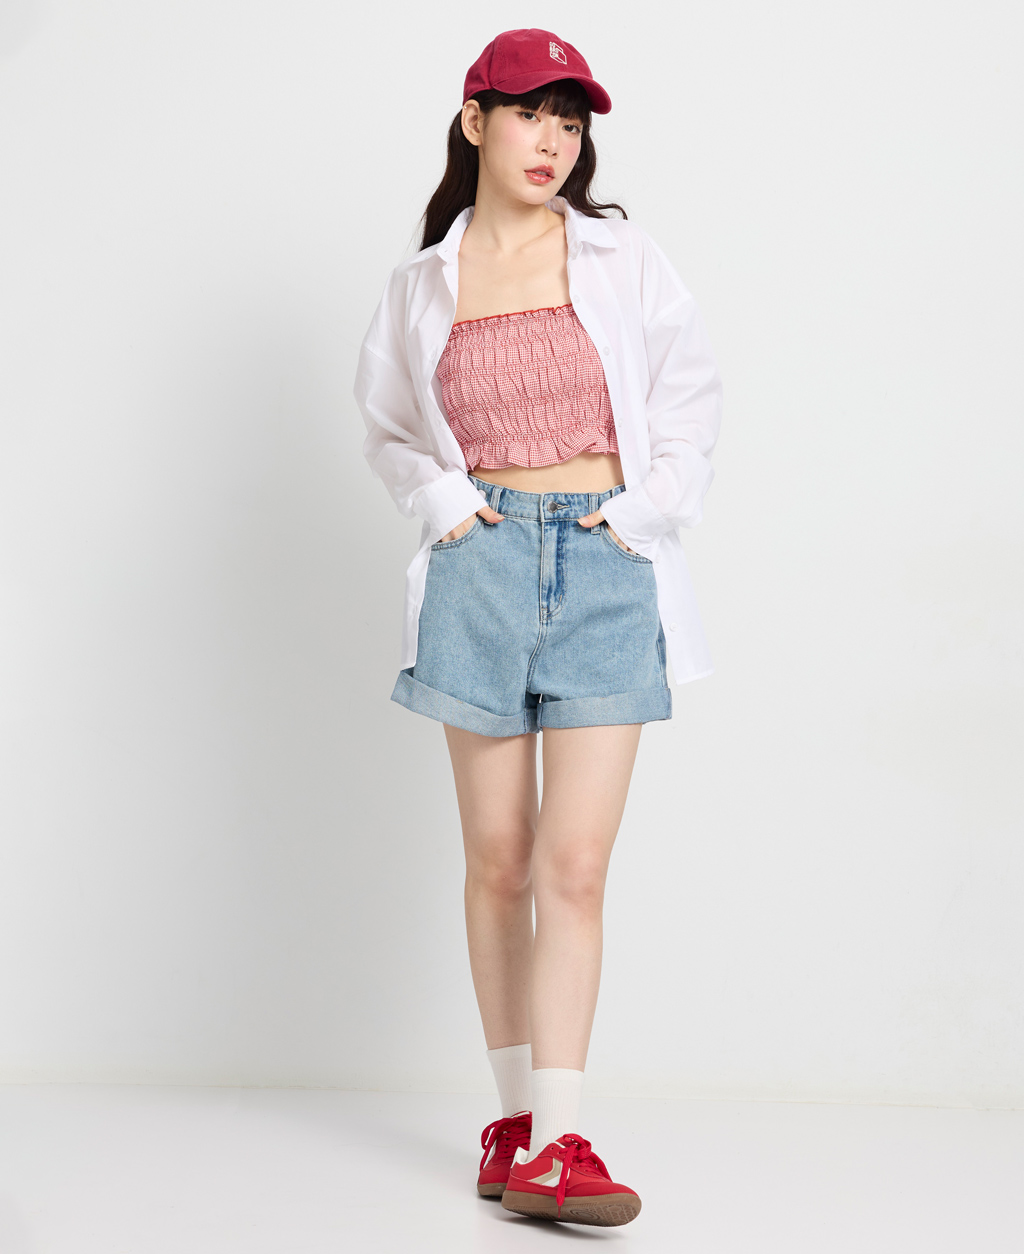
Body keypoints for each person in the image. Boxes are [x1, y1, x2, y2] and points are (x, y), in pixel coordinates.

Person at [353, 28, 722, 1227]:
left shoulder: (621, 255)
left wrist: (643, 515)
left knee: (574, 864)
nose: (551, 141)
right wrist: (447, 509)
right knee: (499, 860)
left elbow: (689, 398)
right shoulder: (423, 282)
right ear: (475, 122)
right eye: (528, 114)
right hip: (482, 567)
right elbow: (388, 426)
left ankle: (560, 1141)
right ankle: (513, 1122)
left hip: (607, 566)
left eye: (569, 121)